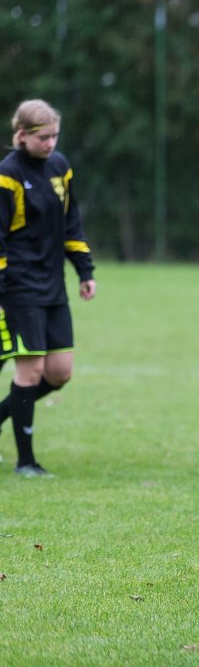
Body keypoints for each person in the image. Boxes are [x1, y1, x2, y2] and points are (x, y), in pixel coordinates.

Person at [0, 100, 96, 477]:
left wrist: (84, 270)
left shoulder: (60, 167)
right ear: (21, 135)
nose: (51, 143)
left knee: (59, 372)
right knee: (30, 370)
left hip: (53, 286)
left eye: (55, 135)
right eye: (43, 137)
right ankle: (26, 462)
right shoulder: (7, 175)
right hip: (19, 287)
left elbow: (72, 224)